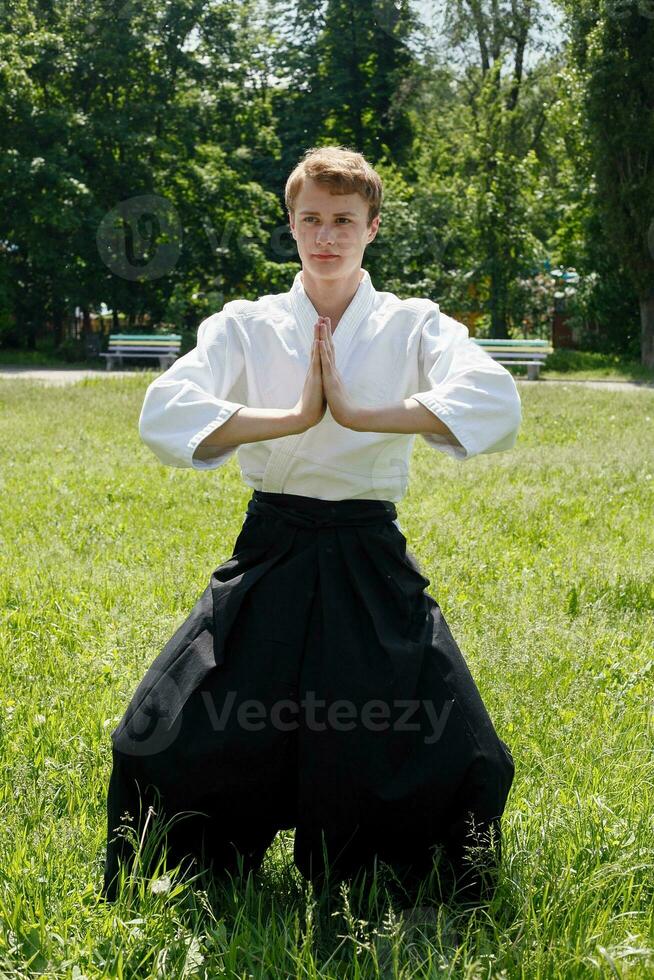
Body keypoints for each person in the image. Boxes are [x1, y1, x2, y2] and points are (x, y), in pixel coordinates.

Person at [101, 145, 521, 908]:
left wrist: (360, 413)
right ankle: (193, 866)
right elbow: (164, 413)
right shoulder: (247, 323)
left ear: (373, 227)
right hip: (272, 545)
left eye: (343, 221)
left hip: (369, 550)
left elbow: (494, 402)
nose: (326, 236)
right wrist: (295, 416)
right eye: (310, 220)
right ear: (290, 225)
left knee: (452, 743)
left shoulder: (412, 323)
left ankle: (386, 874)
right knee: (169, 729)